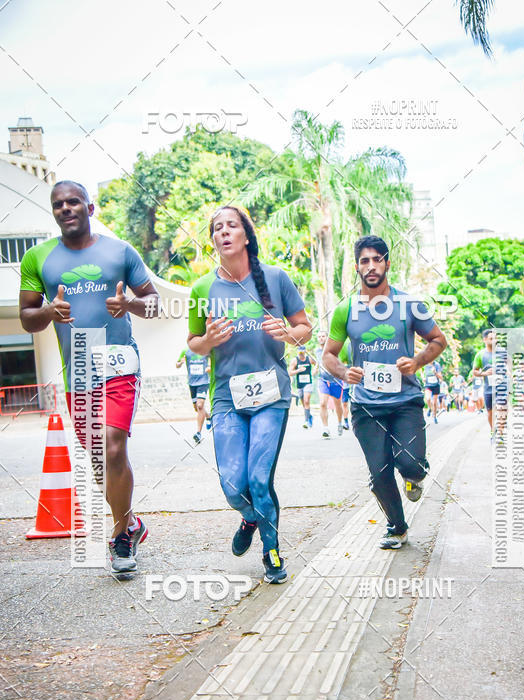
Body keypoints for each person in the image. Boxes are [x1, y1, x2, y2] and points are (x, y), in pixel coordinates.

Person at [19, 180, 159, 577]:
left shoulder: (120, 252)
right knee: (98, 461)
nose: (66, 209)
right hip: (78, 367)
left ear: (90, 207)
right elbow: (28, 317)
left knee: (114, 448)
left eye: (73, 202)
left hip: (118, 364)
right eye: (58, 204)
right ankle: (131, 522)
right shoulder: (38, 258)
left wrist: (129, 303)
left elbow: (153, 304)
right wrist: (48, 312)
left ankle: (119, 538)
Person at [188, 206, 312, 584]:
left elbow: (304, 327)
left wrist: (288, 334)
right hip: (227, 398)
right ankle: (251, 517)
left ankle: (272, 551)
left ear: (246, 235)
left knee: (259, 479)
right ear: (213, 240)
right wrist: (207, 340)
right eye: (217, 228)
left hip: (271, 394)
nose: (224, 232)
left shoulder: (275, 279)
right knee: (232, 486)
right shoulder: (202, 289)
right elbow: (194, 344)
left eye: (232, 226)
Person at [323, 235, 447, 549]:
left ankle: (413, 474)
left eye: (377, 259)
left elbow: (438, 340)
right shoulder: (346, 310)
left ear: (387, 264)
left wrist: (417, 361)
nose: (371, 265)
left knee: (411, 464)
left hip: (405, 401)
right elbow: (328, 356)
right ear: (357, 267)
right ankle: (397, 526)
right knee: (379, 474)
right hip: (365, 405)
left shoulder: (409, 304)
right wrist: (343, 371)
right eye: (364, 260)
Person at [472, 329, 508, 440]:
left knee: (502, 408)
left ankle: (501, 434)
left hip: (502, 386)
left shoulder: (502, 352)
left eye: (495, 338)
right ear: (485, 340)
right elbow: (474, 371)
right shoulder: (480, 355)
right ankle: (493, 431)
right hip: (488, 388)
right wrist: (484, 373)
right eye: (491, 338)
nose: (494, 341)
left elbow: (508, 365)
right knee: (490, 412)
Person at [176, 347, 211, 443]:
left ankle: (198, 433)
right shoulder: (185, 351)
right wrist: (180, 363)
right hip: (192, 383)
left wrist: (209, 367)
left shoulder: (206, 349)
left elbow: (212, 361)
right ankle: (208, 416)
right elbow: (177, 365)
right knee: (197, 408)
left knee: (200, 406)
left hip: (203, 382)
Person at [316, 330, 344, 437]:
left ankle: (340, 423)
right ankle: (325, 428)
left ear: (327, 338)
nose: (321, 338)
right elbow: (318, 363)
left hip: (336, 380)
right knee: (323, 403)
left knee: (338, 404)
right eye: (319, 337)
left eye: (323, 336)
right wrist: (316, 368)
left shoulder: (334, 350)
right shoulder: (317, 351)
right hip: (323, 380)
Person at [289, 346, 314, 428]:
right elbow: (290, 372)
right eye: (299, 353)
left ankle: (306, 421)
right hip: (300, 385)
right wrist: (298, 370)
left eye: (302, 353)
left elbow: (317, 363)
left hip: (308, 383)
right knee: (304, 403)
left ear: (305, 352)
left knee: (307, 401)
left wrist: (315, 370)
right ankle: (309, 416)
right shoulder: (295, 360)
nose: (301, 355)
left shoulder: (309, 359)